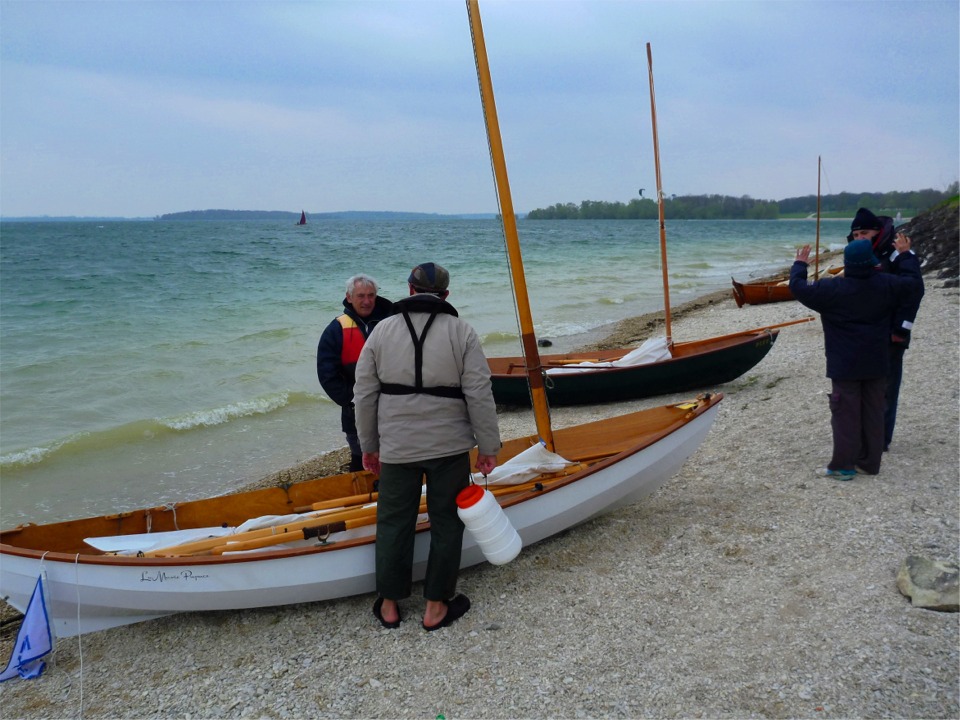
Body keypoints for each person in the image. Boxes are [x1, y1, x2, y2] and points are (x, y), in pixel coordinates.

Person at [353, 262, 501, 631]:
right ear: (446, 295)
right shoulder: (462, 332)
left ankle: (389, 605)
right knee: (447, 523)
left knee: (392, 523)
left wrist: (368, 447)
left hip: (397, 447)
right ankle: (435, 606)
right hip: (448, 447)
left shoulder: (381, 332)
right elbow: (480, 393)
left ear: (409, 290)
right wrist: (488, 446)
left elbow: (364, 394)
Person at [789, 238, 923, 478]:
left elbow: (798, 287)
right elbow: (914, 285)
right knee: (873, 411)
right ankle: (870, 463)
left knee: (845, 414)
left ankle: (843, 466)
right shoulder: (886, 284)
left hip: (845, 364)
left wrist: (800, 264)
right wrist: (906, 255)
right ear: (872, 263)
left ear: (847, 264)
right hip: (877, 360)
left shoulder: (831, 290)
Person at [847, 208, 925, 450]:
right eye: (856, 233)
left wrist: (901, 330)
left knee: (887, 388)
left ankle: (880, 440)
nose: (860, 237)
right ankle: (863, 434)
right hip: (865, 333)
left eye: (865, 233)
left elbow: (913, 294)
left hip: (891, 332)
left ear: (877, 232)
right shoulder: (859, 254)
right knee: (862, 386)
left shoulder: (897, 255)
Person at [317, 274, 394, 472]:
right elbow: (327, 374)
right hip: (355, 414)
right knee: (363, 463)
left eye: (371, 295)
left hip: (394, 410)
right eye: (360, 296)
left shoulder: (392, 322)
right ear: (349, 297)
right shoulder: (336, 329)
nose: (366, 301)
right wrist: (352, 400)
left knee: (395, 462)